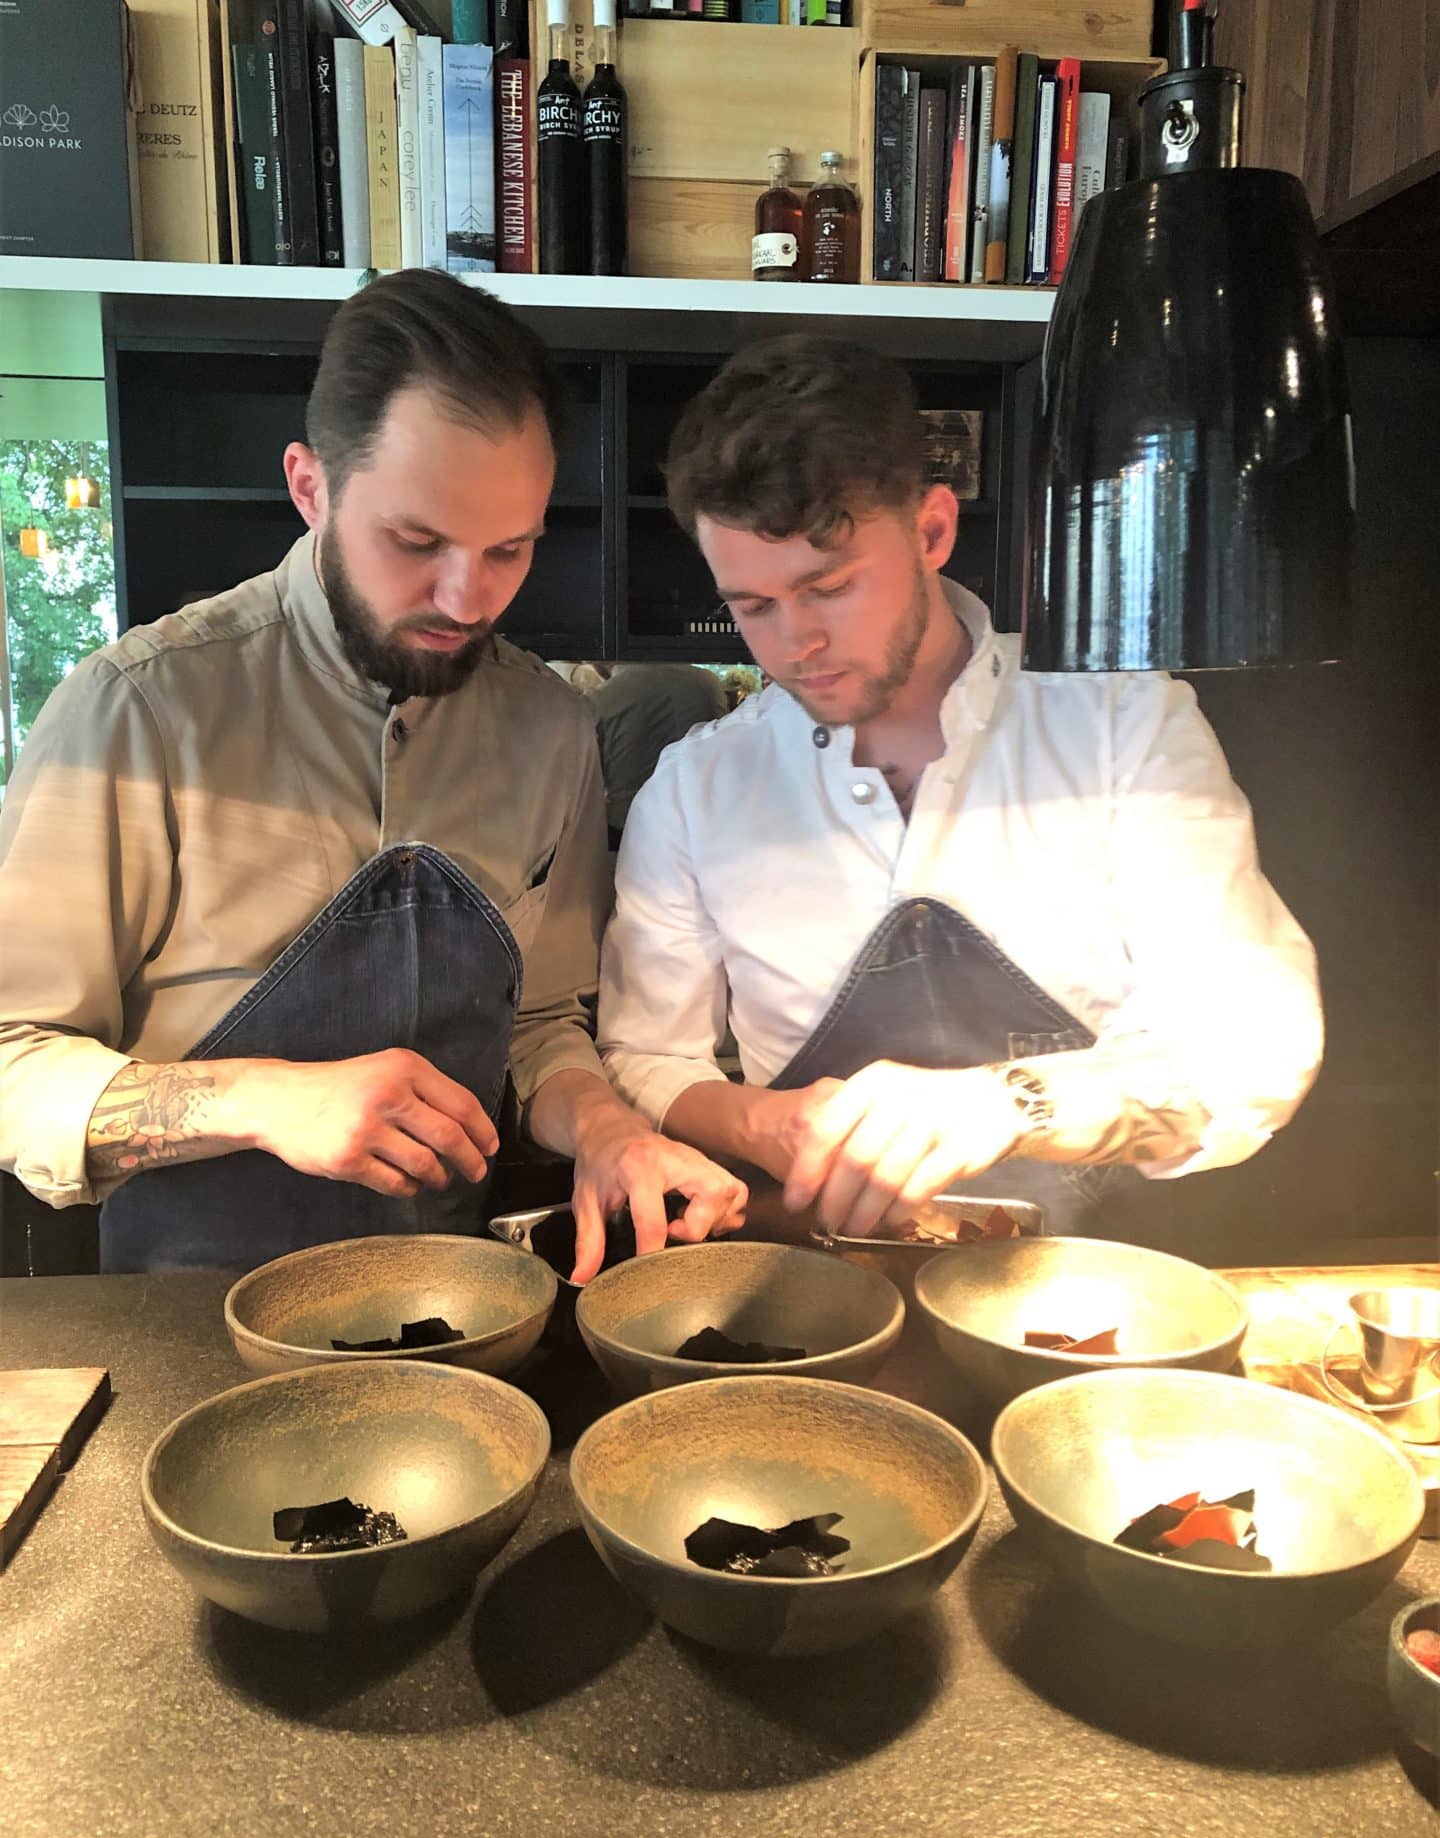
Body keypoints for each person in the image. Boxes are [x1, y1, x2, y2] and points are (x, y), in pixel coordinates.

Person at [0, 270, 745, 1273]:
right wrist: (264, 1101)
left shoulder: (548, 729)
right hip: (184, 1322)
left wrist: (609, 1131)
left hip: (459, 1309)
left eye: (509, 550)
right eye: (415, 541)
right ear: (311, 487)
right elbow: (13, 1059)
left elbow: (541, 1026)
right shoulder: (139, 710)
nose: (466, 597)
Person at [593, 335, 1323, 1281]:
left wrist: (1007, 1101)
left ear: (932, 530)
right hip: (820, 1295)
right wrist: (764, 1123)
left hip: (1094, 1295)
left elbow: (1251, 1038)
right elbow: (648, 1056)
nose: (796, 642)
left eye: (830, 586)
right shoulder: (695, 789)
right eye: (753, 606)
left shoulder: (1119, 723)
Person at [582, 661, 729, 842]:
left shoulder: (600, 700)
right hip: (709, 826)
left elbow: (586, 784)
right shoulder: (707, 682)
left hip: (629, 832)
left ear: (598, 661)